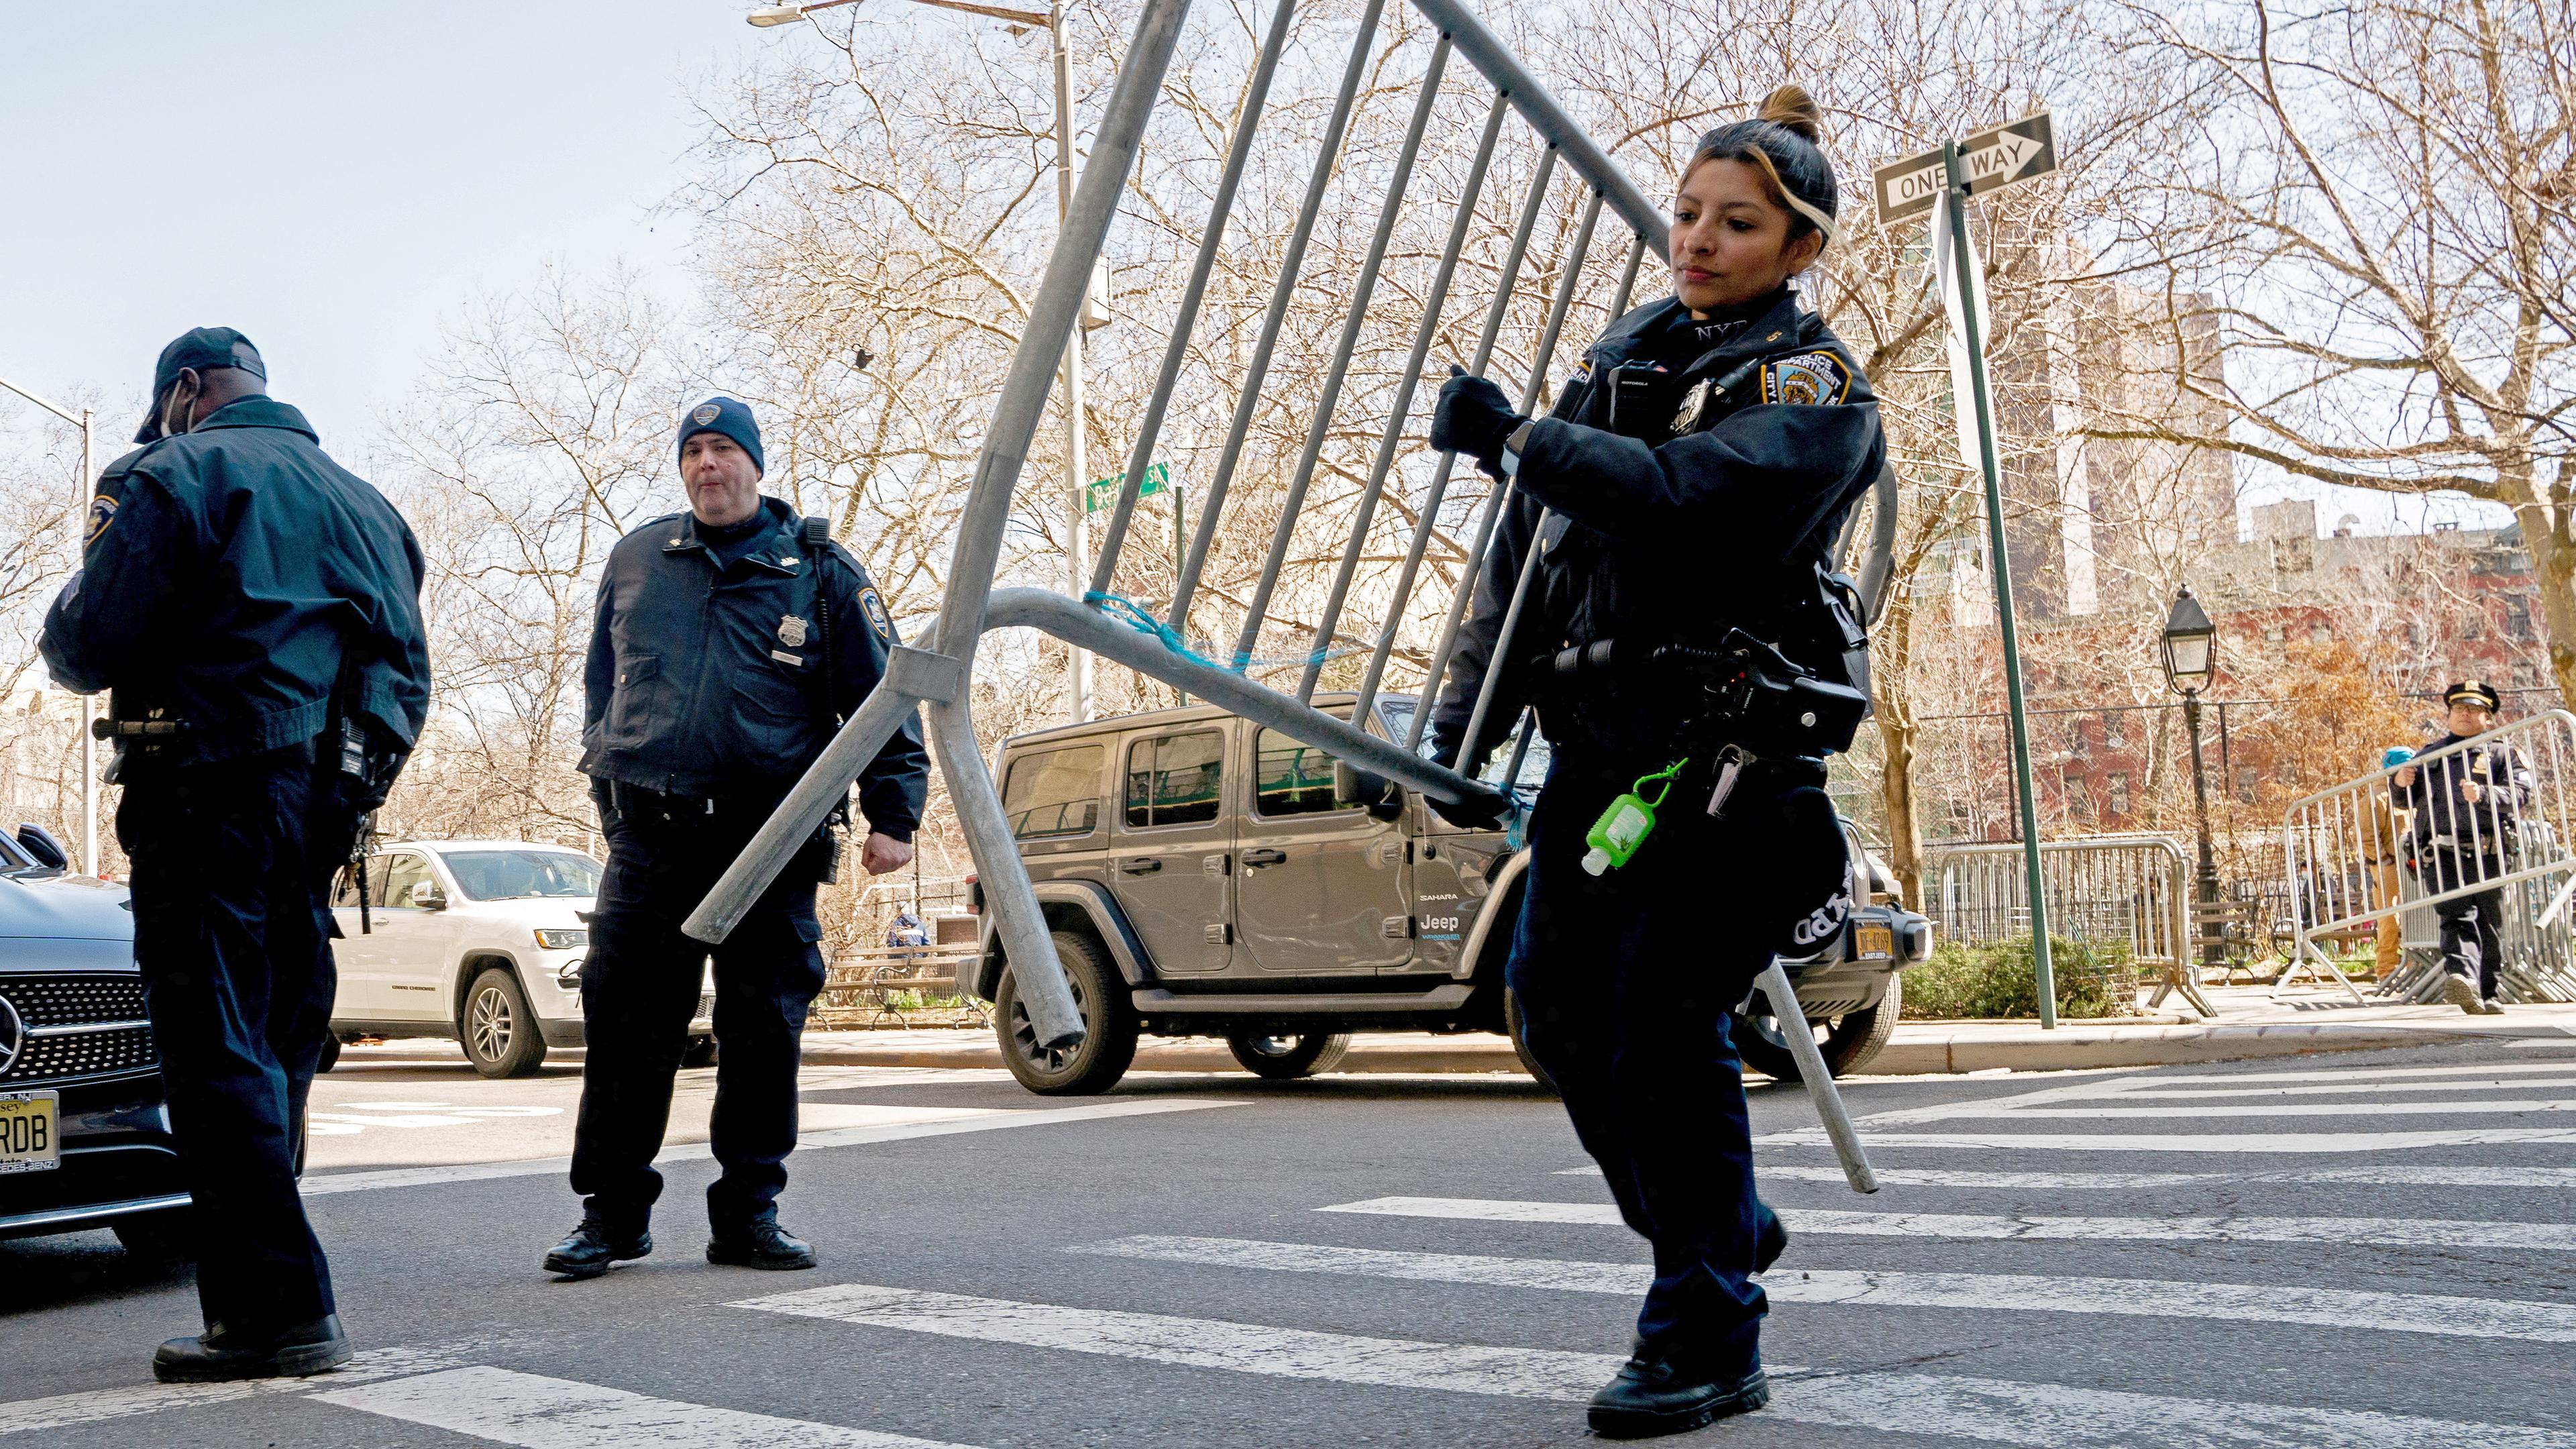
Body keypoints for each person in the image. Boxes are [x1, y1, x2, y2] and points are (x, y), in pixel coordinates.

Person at [1424, 86, 1882, 1439]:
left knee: (1663, 1028)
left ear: (1798, 248)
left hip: (1729, 768)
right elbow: (1523, 571)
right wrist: (1460, 731)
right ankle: (1718, 1226)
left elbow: (1690, 503)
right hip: (1595, 759)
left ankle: (1706, 1330)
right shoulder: (1620, 368)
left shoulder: (1813, 390)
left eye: (1737, 223)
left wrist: (1522, 438)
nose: (1698, 240)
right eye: (1687, 214)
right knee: (1556, 1017)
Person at [40, 328, 430, 1382]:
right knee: (276, 1044)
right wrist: (347, 791)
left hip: (203, 792)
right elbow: (408, 675)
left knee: (213, 1051)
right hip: (319, 814)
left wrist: (72, 602)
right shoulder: (369, 506)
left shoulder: (169, 474)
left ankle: (276, 1313)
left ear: (184, 392)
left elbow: (87, 645)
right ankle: (267, 1293)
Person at [546, 396, 930, 1279]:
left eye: (723, 449)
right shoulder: (639, 558)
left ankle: (749, 1215)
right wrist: (610, 786)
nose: (707, 465)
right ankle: (612, 1215)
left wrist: (894, 816)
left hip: (770, 842)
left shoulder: (820, 572)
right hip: (651, 840)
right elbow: (602, 688)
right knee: (627, 1029)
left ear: (756, 465)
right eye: (693, 452)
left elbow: (885, 699)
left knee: (762, 1032)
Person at [2394, 680, 2530, 1014]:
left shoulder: (2502, 753)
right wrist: (2399, 783)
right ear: (2449, 714)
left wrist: (2485, 795)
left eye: (2473, 709)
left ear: (2488, 716)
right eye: (2458, 709)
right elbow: (2403, 800)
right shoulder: (2431, 754)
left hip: (2488, 851)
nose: (2464, 715)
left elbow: (2521, 793)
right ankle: (2463, 980)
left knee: (2489, 924)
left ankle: (2488, 993)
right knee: (2455, 918)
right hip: (2441, 853)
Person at [2368, 745, 2415, 979]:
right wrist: (2383, 860)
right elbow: (2367, 833)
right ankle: (2386, 970)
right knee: (2390, 919)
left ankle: (2414, 966)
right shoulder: (2380, 795)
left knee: (2415, 917)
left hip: (2410, 863)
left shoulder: (2410, 794)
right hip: (2390, 864)